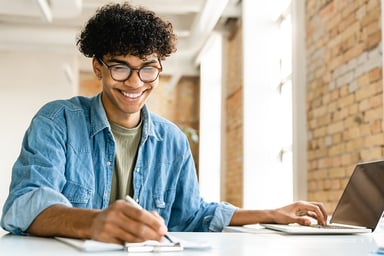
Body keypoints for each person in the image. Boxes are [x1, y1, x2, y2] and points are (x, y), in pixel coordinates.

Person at [1, 2, 327, 244]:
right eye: (120, 67)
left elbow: (191, 215)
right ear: (98, 67)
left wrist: (271, 214)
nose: (134, 82)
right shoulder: (58, 121)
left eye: (147, 68)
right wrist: (94, 222)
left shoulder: (173, 140)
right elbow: (24, 204)